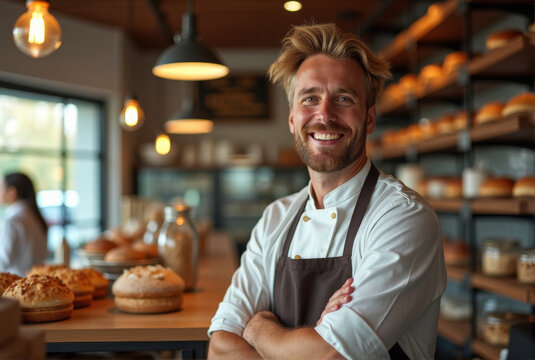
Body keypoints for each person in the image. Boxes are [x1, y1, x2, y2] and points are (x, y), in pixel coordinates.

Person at [207, 23, 446, 359]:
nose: (325, 114)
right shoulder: (276, 217)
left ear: (369, 119)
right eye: (310, 98)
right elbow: (220, 348)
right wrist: (311, 343)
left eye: (344, 99)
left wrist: (259, 328)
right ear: (292, 119)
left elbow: (330, 355)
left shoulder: (403, 218)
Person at [0, 172, 48, 276]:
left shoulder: (12, 221)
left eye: (1, 188)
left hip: (19, 286)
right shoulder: (34, 216)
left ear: (12, 192)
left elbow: (3, 262)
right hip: (39, 282)